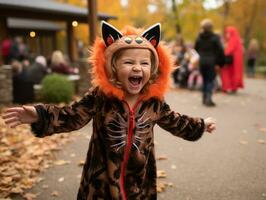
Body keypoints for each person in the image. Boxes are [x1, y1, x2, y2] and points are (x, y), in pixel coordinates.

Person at [2, 22, 216, 200]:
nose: (137, 68)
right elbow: (71, 116)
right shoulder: (101, 97)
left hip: (139, 184)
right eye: (128, 62)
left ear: (152, 69)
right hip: (100, 184)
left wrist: (200, 125)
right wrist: (40, 115)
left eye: (144, 63)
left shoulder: (153, 102)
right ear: (113, 67)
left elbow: (175, 121)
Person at [195, 19, 225, 106]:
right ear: (211, 27)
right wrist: (220, 63)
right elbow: (220, 50)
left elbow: (196, 48)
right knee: (210, 80)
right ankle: (208, 98)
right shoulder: (215, 38)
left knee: (204, 80)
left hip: (202, 61)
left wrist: (201, 54)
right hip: (212, 61)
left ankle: (204, 98)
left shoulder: (199, 37)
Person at [220, 26, 244, 93]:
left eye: (228, 33)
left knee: (225, 72)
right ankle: (233, 87)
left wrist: (222, 55)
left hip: (231, 60)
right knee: (234, 73)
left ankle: (226, 87)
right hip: (235, 61)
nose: (227, 35)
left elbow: (228, 51)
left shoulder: (233, 39)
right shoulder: (237, 39)